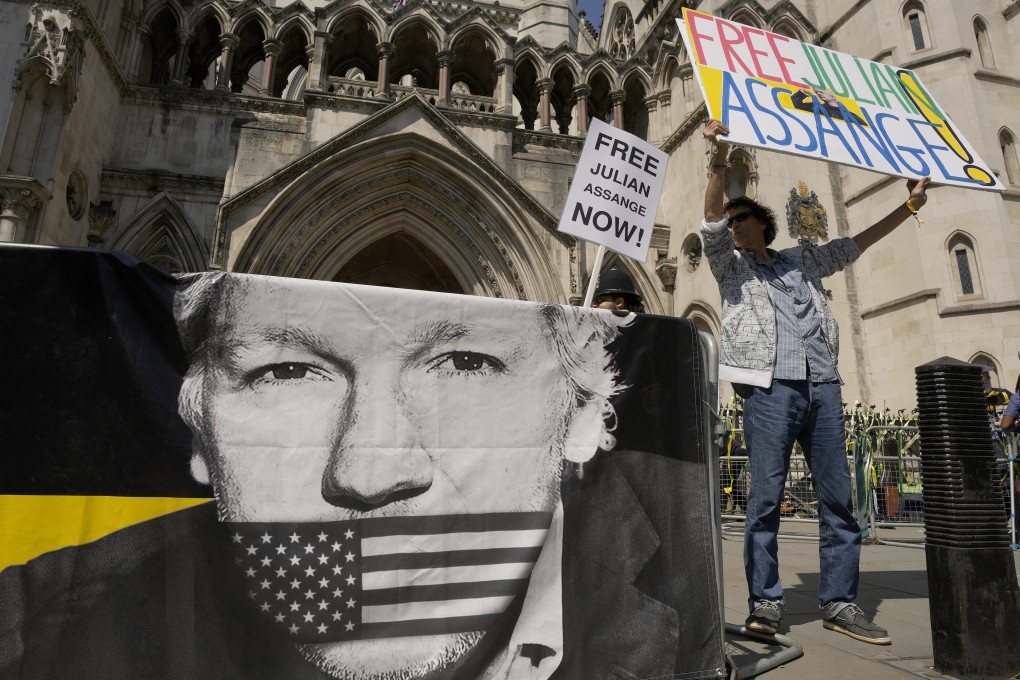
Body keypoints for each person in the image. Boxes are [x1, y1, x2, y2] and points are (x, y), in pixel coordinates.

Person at [1, 267, 724, 680]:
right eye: (286, 371)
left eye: (467, 365)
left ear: (580, 419)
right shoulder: (41, 612)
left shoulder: (678, 561)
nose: (368, 472)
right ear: (198, 433)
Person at [700, 118, 931, 645]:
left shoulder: (803, 261)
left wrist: (913, 205)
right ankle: (766, 603)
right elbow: (709, 217)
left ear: (761, 223)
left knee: (838, 500)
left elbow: (858, 244)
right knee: (764, 499)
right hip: (769, 388)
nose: (731, 225)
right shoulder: (730, 269)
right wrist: (717, 158)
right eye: (730, 221)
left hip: (823, 385)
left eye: (741, 218)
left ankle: (840, 604)